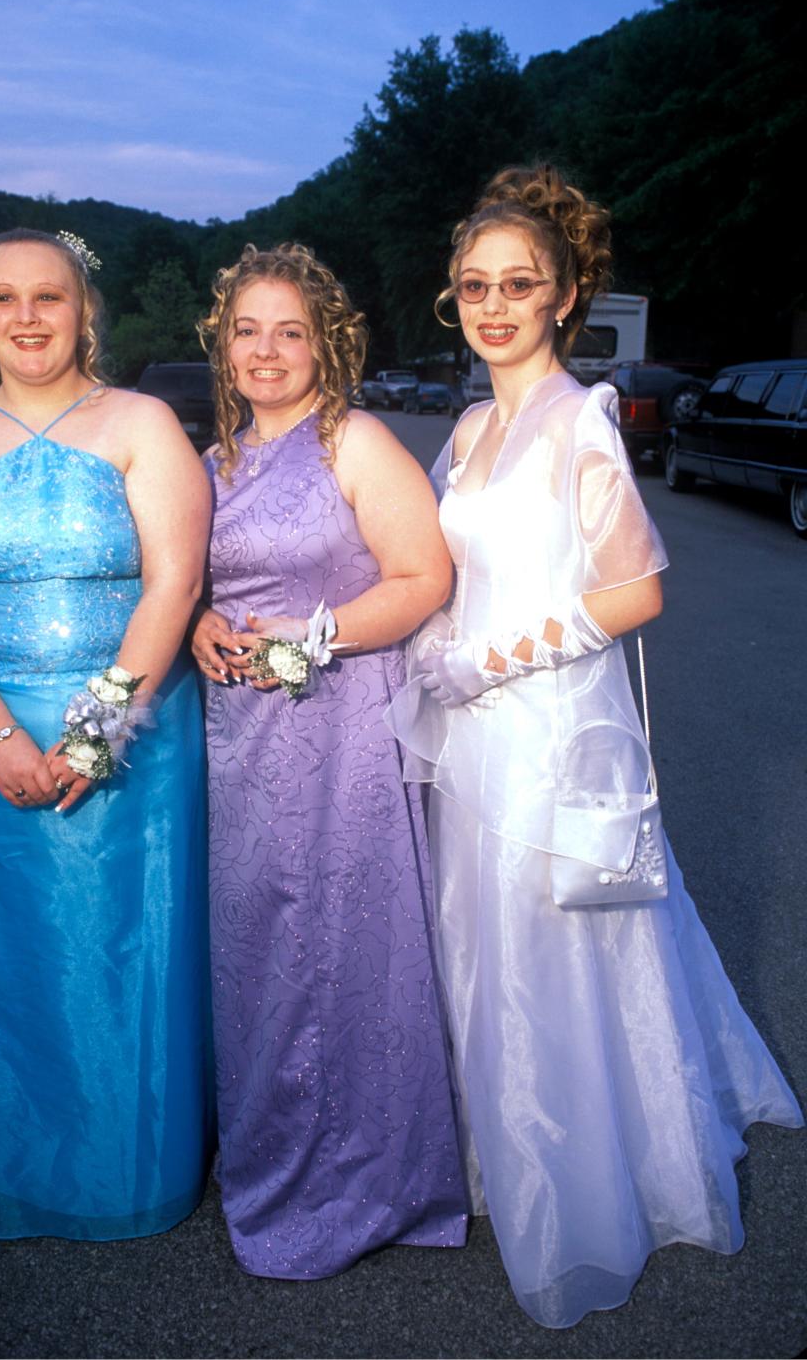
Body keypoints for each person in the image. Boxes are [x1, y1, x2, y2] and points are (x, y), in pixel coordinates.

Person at [388, 165, 804, 1327]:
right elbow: (441, 562)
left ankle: (580, 1175)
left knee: (556, 945)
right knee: (478, 938)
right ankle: (491, 1147)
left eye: (521, 283)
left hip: (550, 725)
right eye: (475, 284)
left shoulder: (583, 417)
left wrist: (488, 658)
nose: (495, 304)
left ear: (568, 296)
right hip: (466, 729)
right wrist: (428, 638)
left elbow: (637, 591)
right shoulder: (469, 424)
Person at [0, 227, 215, 1240]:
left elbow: (176, 580)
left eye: (50, 298)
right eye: (4, 299)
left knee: (124, 945)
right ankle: (23, 1146)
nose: (28, 318)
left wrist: (96, 728)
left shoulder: (140, 422)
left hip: (134, 728)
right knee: (12, 950)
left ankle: (132, 1153)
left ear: (86, 310)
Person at [191, 242, 467, 1278]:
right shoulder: (211, 461)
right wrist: (197, 627)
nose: (267, 350)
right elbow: (185, 581)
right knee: (260, 948)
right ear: (221, 342)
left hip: (343, 725)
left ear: (327, 345)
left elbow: (421, 574)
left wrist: (305, 641)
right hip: (242, 741)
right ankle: (272, 1149)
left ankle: (363, 1175)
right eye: (248, 329)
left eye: (290, 331)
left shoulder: (354, 440)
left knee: (342, 942)